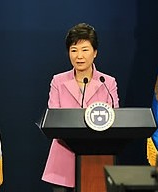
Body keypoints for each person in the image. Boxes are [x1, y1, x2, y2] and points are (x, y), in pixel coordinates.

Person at [42, 23, 119, 192]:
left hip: (97, 157)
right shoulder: (58, 81)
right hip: (63, 154)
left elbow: (115, 118)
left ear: (95, 52)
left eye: (85, 49)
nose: (79, 56)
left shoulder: (108, 82)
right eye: (74, 50)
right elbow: (54, 116)